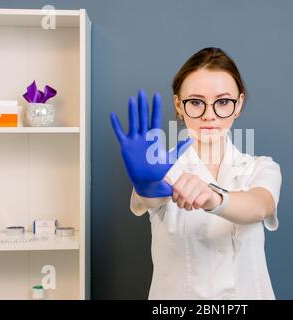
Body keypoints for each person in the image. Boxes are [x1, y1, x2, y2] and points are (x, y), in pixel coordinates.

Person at [110, 47, 282, 299]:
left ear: (239, 104)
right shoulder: (162, 169)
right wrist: (147, 187)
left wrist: (214, 198)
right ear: (179, 105)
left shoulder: (261, 167)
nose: (209, 115)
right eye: (196, 102)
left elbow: (260, 206)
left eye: (223, 102)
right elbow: (150, 197)